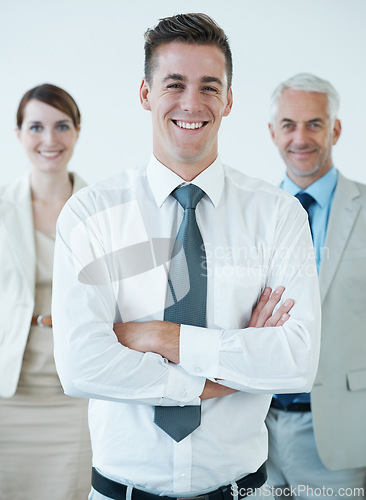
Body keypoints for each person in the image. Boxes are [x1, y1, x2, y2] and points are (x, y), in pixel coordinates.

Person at [52, 14, 320, 500]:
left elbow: (297, 362)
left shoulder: (278, 215)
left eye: (209, 87)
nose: (192, 103)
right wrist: (228, 371)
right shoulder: (92, 213)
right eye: (174, 84)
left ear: (230, 99)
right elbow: (82, 366)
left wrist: (157, 336)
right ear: (145, 94)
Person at [266, 73, 366, 499]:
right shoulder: (255, 215)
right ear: (273, 132)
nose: (300, 137)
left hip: (343, 434)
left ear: (336, 129)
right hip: (258, 433)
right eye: (289, 124)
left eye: (314, 124)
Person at [0, 84, 92, 500]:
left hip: (76, 393)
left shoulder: (104, 210)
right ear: (18, 133)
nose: (49, 140)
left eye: (61, 126)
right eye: (36, 127)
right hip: (10, 390)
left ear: (76, 132)